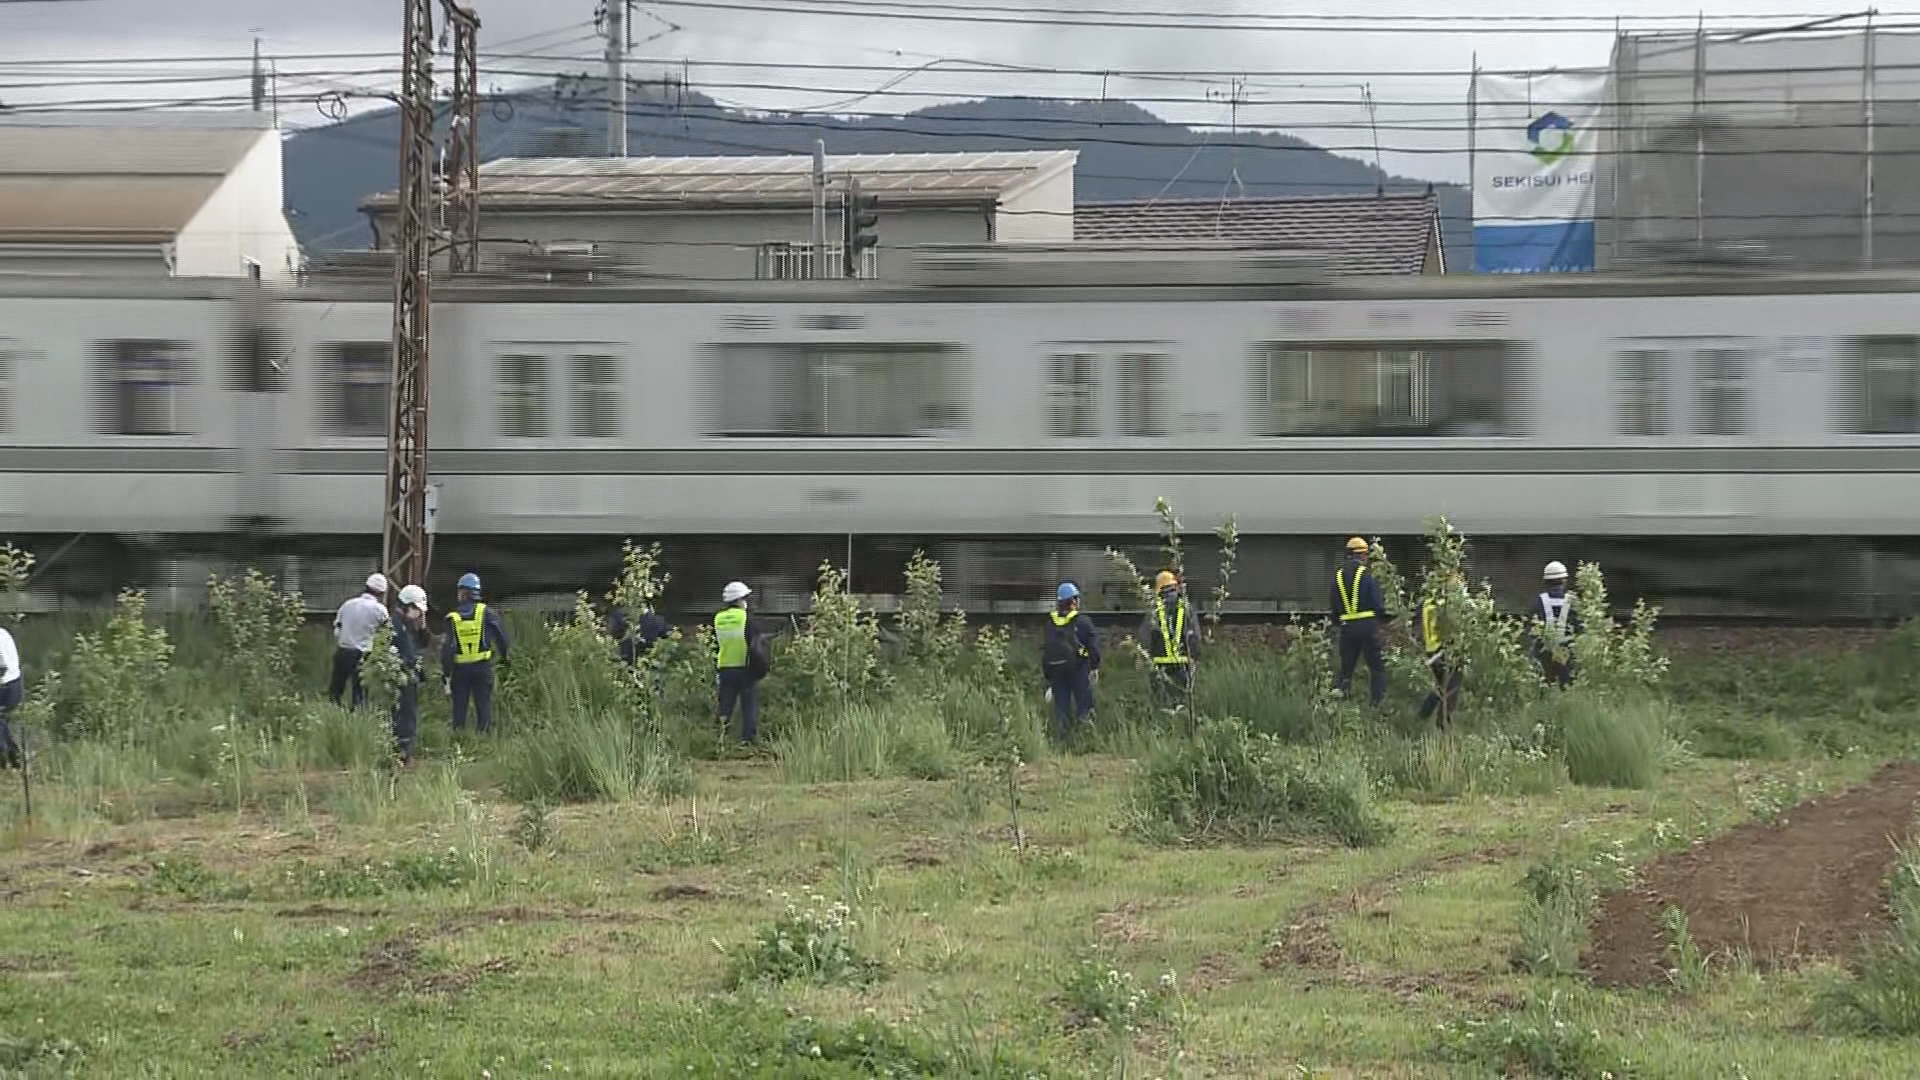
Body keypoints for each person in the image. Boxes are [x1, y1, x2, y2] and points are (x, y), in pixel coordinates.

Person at [442, 572, 509, 734]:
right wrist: (505, 657)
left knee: (459, 707)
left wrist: (446, 673)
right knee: (483, 705)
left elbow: (447, 649)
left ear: (463, 593)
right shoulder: (487, 613)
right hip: (482, 667)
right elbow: (502, 637)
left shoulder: (453, 617)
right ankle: (484, 740)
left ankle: (459, 739)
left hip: (460, 670)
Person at [1331, 536, 1391, 706]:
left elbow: (1334, 605)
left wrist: (1339, 622)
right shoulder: (1366, 576)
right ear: (1363, 555)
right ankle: (1377, 704)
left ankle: (1340, 702)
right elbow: (1377, 603)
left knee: (1346, 669)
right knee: (1376, 667)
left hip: (1347, 628)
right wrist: (1384, 618)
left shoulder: (1338, 576)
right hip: (1367, 627)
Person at [1041, 581, 1100, 741]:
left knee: (1061, 708)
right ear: (1074, 601)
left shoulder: (1050, 624)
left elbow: (1046, 651)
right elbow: (1094, 647)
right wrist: (1094, 668)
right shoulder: (1083, 622)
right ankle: (1084, 739)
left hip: (1056, 672)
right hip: (1079, 669)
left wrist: (1048, 680)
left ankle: (1062, 742)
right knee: (1084, 705)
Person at [1138, 569, 1198, 710]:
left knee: (1161, 702)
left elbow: (1145, 636)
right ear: (1176, 586)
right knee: (1183, 703)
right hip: (1183, 663)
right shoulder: (1186, 608)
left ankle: (1165, 728)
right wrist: (1195, 659)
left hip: (1160, 664)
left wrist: (1141, 658)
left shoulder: (1154, 610)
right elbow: (1195, 635)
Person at [714, 580, 765, 744]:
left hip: (724, 667)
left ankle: (720, 739)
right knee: (748, 706)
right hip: (744, 667)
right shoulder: (746, 618)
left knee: (725, 706)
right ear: (739, 600)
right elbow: (755, 644)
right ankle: (748, 741)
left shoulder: (718, 618)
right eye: (745, 599)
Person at [329, 573, 390, 710]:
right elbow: (387, 633)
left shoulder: (347, 604)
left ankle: (333, 714)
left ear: (366, 587)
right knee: (360, 694)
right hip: (364, 655)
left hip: (343, 651)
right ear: (382, 593)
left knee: (336, 690)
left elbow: (338, 627)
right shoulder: (380, 610)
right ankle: (357, 719)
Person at [1417, 575, 1465, 728]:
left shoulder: (1427, 603)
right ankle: (1444, 722)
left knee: (1440, 686)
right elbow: (1451, 629)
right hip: (1444, 650)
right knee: (1451, 686)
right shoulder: (1444, 606)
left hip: (1431, 650)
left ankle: (1422, 717)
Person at [390, 585, 430, 765]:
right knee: (404, 714)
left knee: (407, 713)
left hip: (408, 676)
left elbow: (423, 643)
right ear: (408, 606)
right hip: (402, 675)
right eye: (418, 611)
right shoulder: (396, 625)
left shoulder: (408, 625)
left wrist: (422, 626)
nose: (419, 615)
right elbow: (406, 653)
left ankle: (403, 750)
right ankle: (402, 751)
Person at [1534, 561, 1581, 688]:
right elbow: (1579, 628)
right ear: (1564, 580)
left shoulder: (1540, 600)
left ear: (1546, 581)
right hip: (1567, 652)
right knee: (1567, 686)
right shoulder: (1572, 601)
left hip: (1544, 652)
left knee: (1544, 685)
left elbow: (1534, 628)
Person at [0, 621, 22, 769]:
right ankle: (14, 757)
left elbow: (2, 667)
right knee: (2, 721)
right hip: (16, 684)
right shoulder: (3, 632)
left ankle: (5, 757)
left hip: (5, 686)